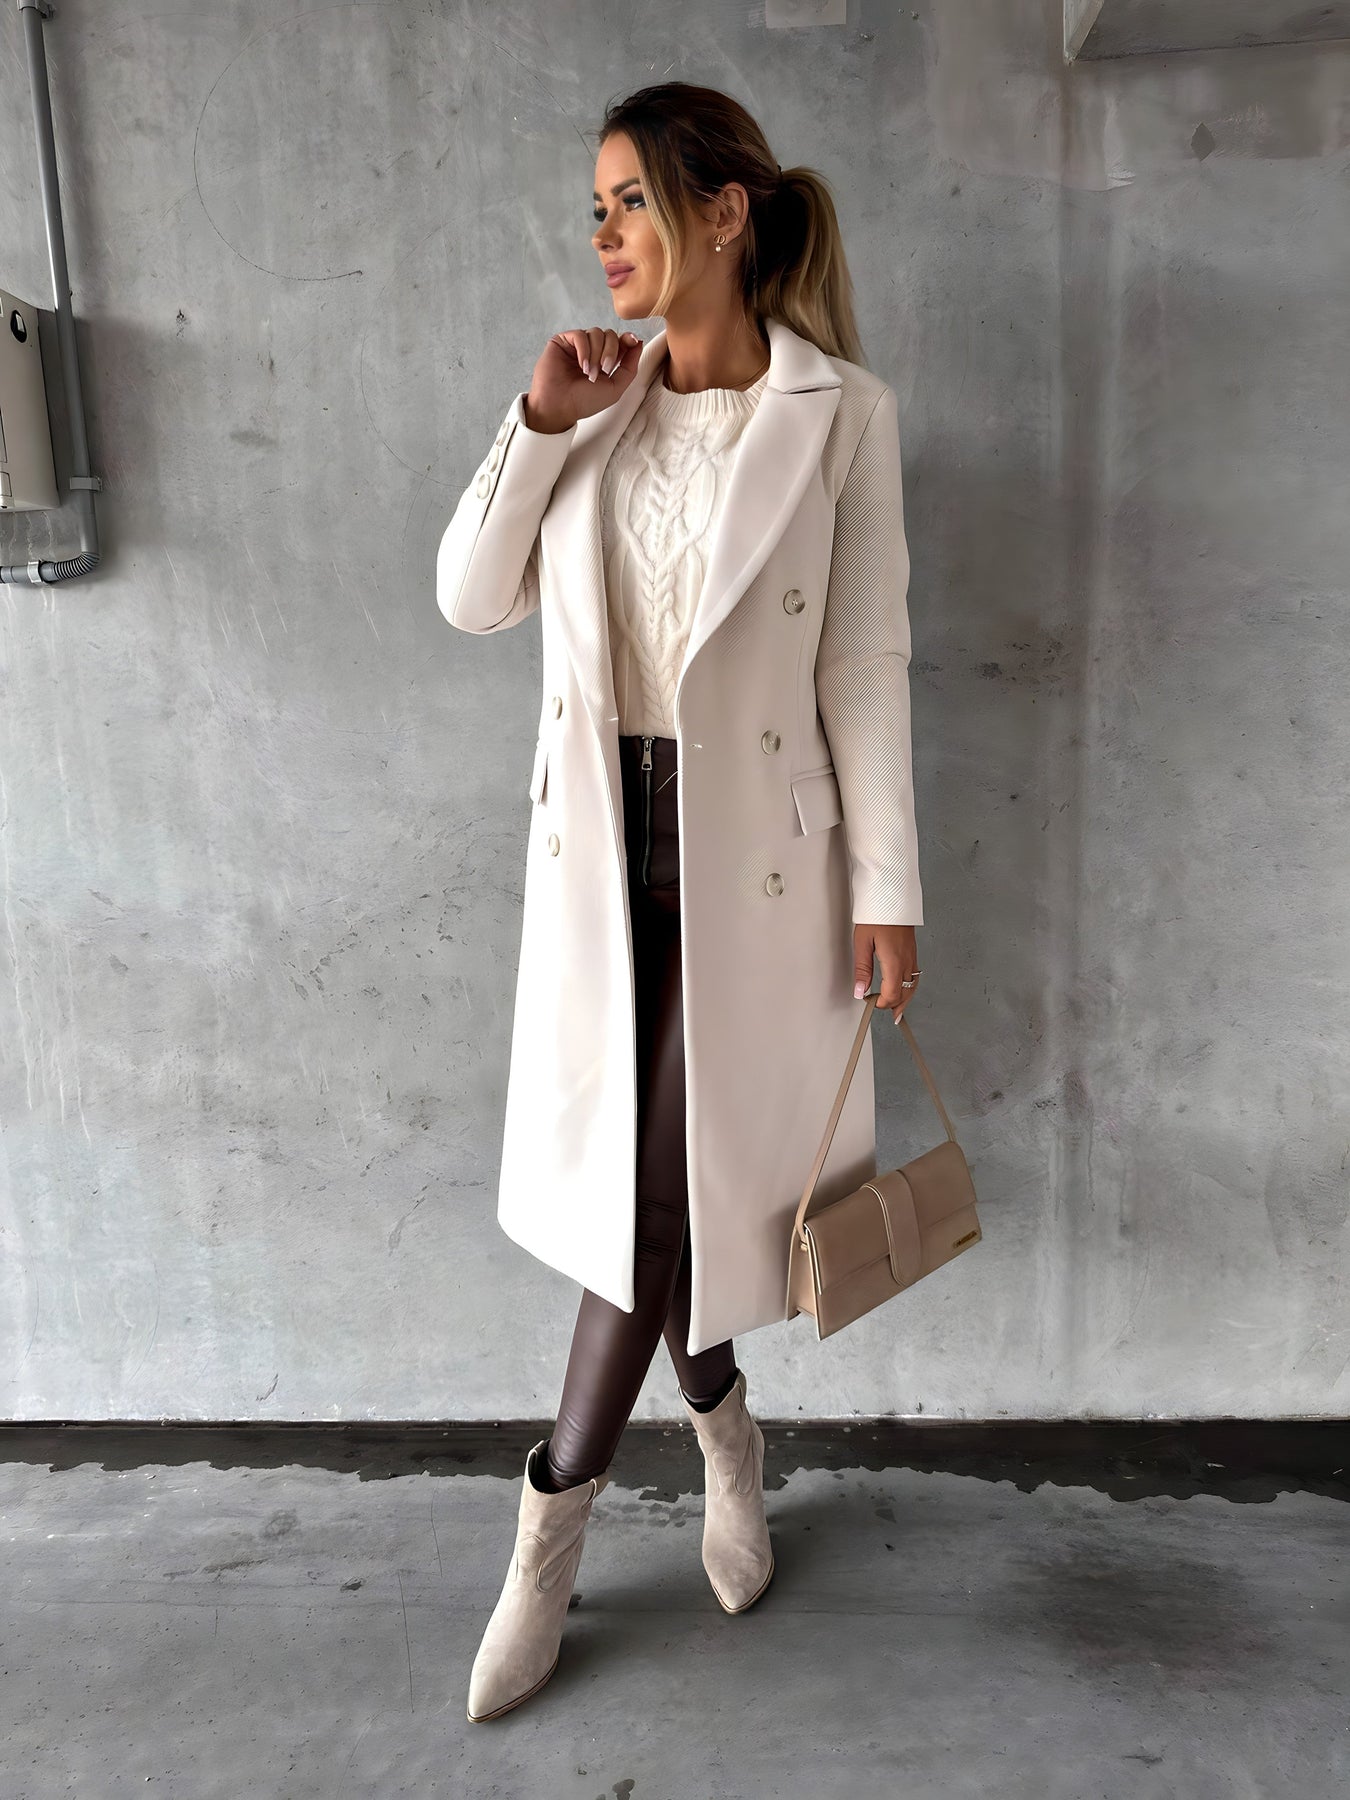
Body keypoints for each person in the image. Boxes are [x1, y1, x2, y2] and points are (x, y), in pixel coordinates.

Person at [437, 82, 924, 1723]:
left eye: (631, 200)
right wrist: (536, 420)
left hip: (760, 872)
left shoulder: (840, 413)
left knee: (653, 1207)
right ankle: (723, 1432)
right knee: (660, 1208)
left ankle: (546, 1537)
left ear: (723, 213)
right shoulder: (592, 403)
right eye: (595, 209)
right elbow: (470, 599)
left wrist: (889, 890)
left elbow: (864, 661)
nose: (604, 236)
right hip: (598, 859)